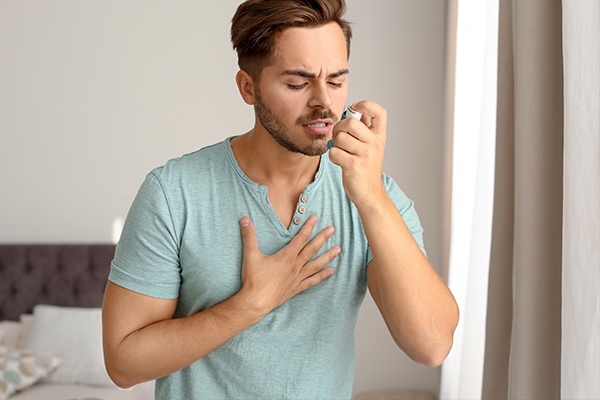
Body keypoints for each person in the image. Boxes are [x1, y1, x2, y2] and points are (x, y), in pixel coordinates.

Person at [102, 0, 459, 399]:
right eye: (298, 83)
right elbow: (122, 363)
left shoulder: (376, 197)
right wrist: (250, 304)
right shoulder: (174, 193)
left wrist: (372, 198)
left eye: (337, 81)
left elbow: (431, 345)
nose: (323, 102)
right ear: (248, 88)